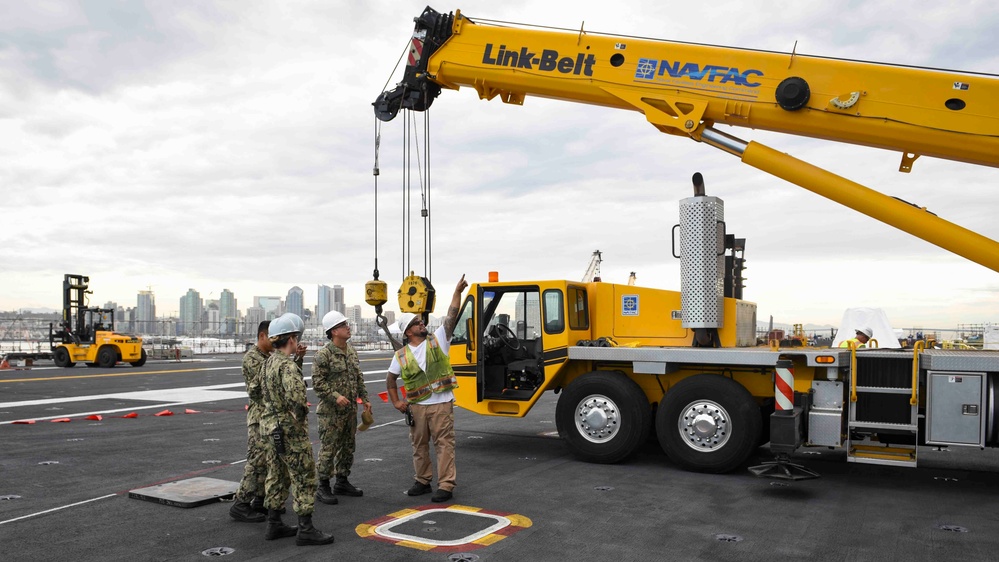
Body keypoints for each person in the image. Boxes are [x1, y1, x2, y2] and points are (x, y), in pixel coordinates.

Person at [386, 275, 467, 503]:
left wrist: (457, 292)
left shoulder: (439, 339)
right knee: (419, 445)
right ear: (408, 332)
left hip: (440, 404)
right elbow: (390, 380)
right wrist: (396, 402)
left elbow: (452, 316)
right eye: (416, 323)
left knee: (444, 444)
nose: (422, 323)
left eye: (420, 321)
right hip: (417, 408)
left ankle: (446, 485)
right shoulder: (400, 356)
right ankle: (422, 481)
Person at [260, 313, 335, 546]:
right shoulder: (288, 366)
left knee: (276, 474)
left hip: (269, 427)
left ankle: (274, 523)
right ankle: (306, 528)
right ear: (291, 339)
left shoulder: (267, 363)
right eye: (295, 337)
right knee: (304, 476)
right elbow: (298, 401)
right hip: (289, 430)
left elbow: (258, 392)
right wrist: (299, 418)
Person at [312, 310, 372, 504]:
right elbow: (318, 383)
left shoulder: (351, 351)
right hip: (331, 413)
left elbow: (358, 377)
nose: (348, 327)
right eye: (343, 325)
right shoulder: (324, 355)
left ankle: (342, 481)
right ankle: (323, 486)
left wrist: (365, 398)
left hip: (350, 411)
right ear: (334, 331)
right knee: (329, 449)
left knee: (348, 446)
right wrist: (336, 396)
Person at [229, 320, 272, 523]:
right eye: (272, 336)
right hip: (259, 418)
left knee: (267, 462)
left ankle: (259, 500)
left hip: (269, 417)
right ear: (262, 336)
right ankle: (240, 503)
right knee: (256, 461)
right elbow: (258, 389)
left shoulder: (268, 357)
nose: (275, 341)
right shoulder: (252, 358)